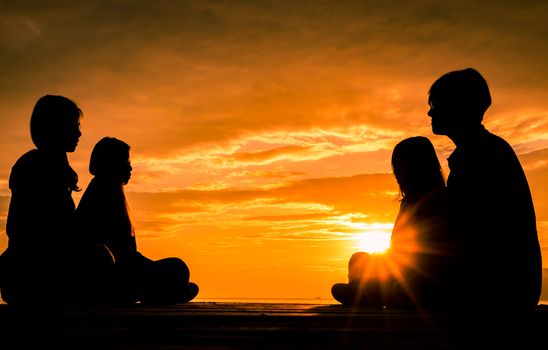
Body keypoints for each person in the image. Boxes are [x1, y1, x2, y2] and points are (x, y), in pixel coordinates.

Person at [427, 67, 542, 311]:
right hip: (505, 284)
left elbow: (475, 235)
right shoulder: (479, 151)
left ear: (457, 107)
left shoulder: (482, 155)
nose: (429, 112)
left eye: (436, 105)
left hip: (500, 288)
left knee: (407, 280)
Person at [0, 95, 114, 306]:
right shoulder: (37, 168)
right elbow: (48, 234)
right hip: (33, 278)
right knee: (102, 258)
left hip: (23, 278)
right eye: (74, 126)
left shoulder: (46, 166)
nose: (79, 133)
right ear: (55, 128)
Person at [75, 137, 199, 305]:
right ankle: (154, 293)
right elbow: (122, 253)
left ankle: (160, 291)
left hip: (128, 269)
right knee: (178, 268)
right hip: (118, 274)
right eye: (125, 161)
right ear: (112, 164)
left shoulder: (107, 192)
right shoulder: (103, 196)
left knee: (177, 268)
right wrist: (150, 268)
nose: (130, 167)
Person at [331, 136, 450, 308]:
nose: (397, 171)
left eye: (402, 164)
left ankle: (371, 293)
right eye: (395, 164)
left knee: (400, 288)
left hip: (422, 273)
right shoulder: (407, 202)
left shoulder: (437, 199)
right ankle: (364, 290)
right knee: (358, 258)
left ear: (420, 166)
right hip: (397, 267)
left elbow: (427, 253)